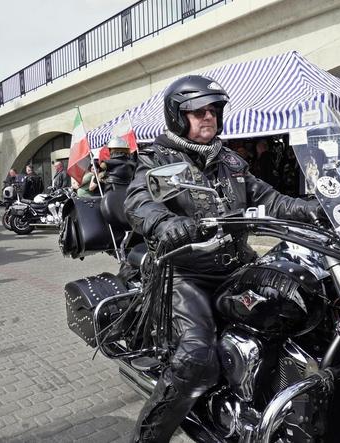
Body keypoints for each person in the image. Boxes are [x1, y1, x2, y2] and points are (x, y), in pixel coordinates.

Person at [124, 75, 319, 442]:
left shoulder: (229, 160)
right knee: (196, 358)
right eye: (198, 112)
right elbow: (138, 202)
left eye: (213, 110)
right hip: (186, 272)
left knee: (297, 312)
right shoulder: (161, 158)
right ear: (178, 117)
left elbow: (270, 198)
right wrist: (166, 223)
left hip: (238, 267)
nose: (208, 118)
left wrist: (313, 208)